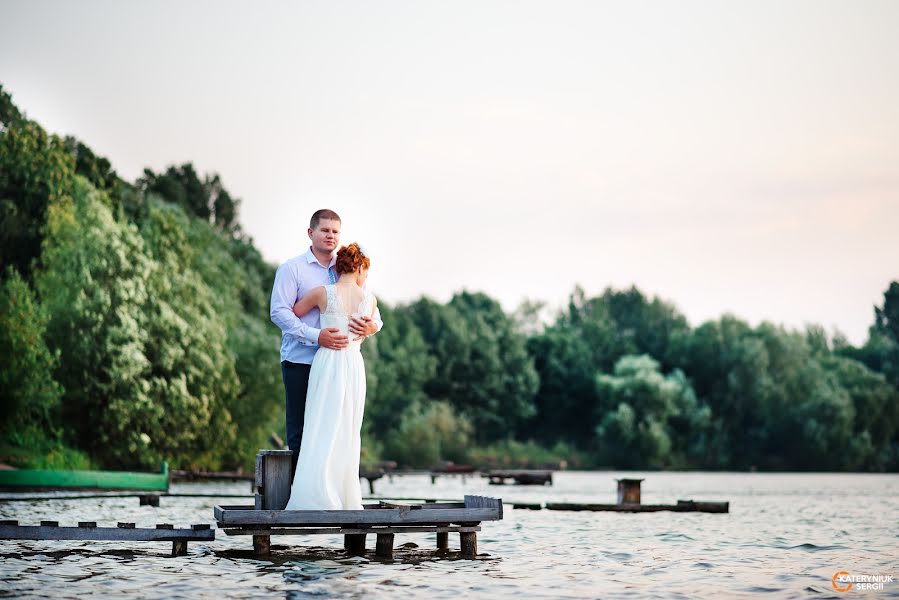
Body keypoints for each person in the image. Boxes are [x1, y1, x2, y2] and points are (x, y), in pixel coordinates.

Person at [269, 209, 382, 479]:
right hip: (300, 359)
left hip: (339, 365)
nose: (330, 236)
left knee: (332, 428)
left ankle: (328, 487)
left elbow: (375, 316)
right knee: (300, 428)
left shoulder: (346, 269)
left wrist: (370, 327)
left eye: (335, 231)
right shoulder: (292, 269)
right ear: (311, 233)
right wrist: (314, 335)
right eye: (325, 230)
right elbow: (279, 311)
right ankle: (299, 493)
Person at [284, 242, 375, 509]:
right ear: (358, 268)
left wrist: (316, 331)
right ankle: (346, 495)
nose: (365, 279)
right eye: (365, 273)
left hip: (326, 361)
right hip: (352, 364)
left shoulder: (322, 293)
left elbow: (293, 313)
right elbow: (365, 329)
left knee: (318, 424)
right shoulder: (369, 300)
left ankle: (314, 492)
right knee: (347, 428)